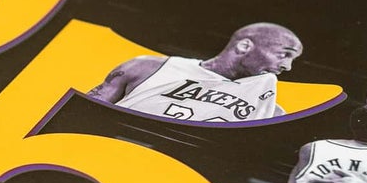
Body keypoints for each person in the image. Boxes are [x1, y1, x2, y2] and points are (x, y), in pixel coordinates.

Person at [88, 23, 303, 122]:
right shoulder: (147, 67)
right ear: (244, 46)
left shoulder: (270, 113)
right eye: (284, 54)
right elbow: (86, 113)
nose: (287, 67)